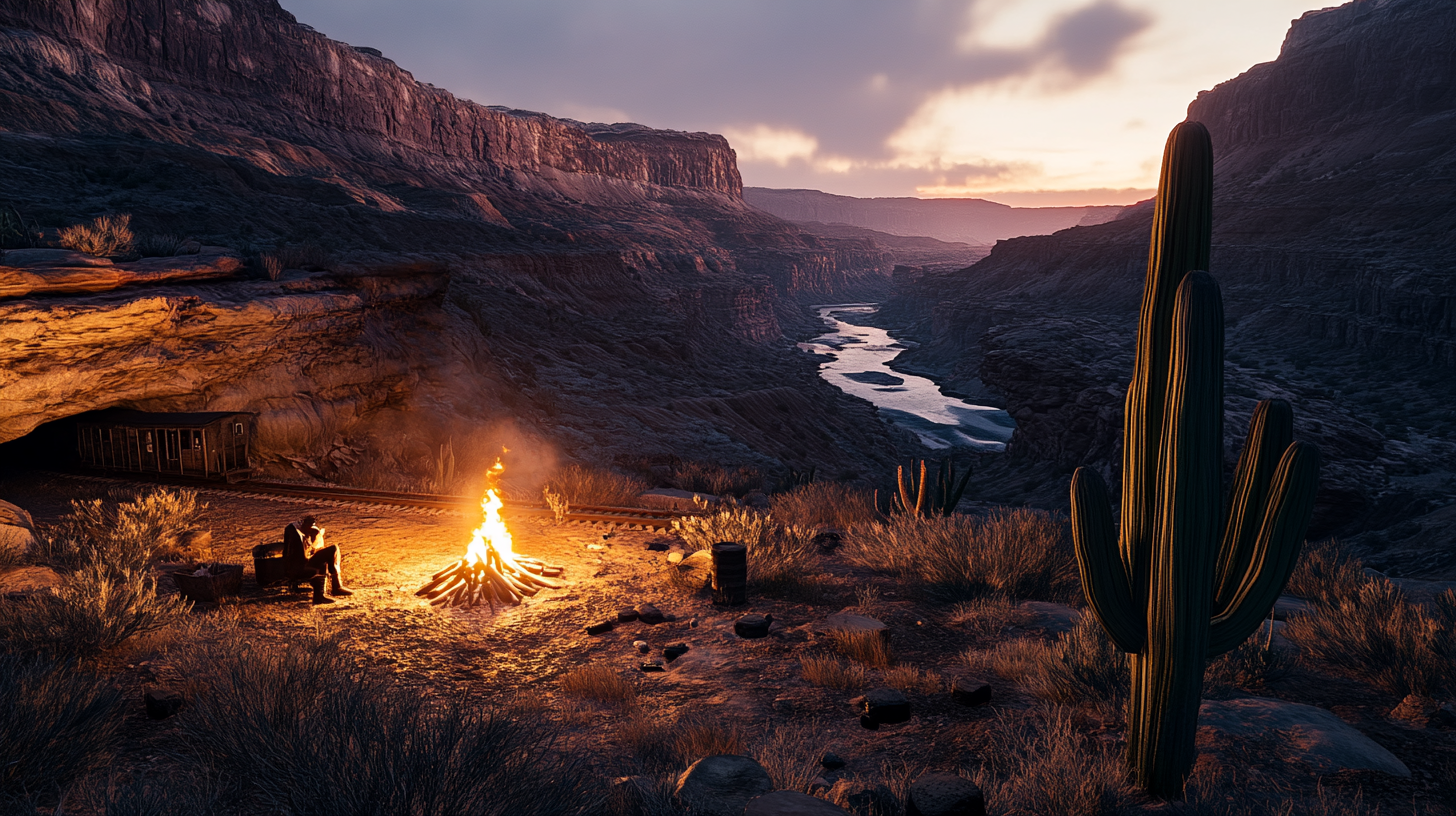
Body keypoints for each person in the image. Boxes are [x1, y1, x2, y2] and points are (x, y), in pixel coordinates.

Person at [282, 514, 352, 604]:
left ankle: (337, 585)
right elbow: (301, 557)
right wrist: (311, 548)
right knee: (322, 564)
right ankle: (319, 596)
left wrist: (314, 545)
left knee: (334, 549)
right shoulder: (295, 534)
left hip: (305, 560)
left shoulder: (305, 529)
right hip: (298, 566)